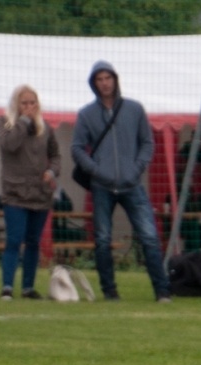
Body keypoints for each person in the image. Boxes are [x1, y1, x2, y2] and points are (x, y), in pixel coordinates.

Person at [72, 60, 171, 302]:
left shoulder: (134, 109)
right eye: (100, 79)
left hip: (132, 184)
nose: (105, 83)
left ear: (116, 80)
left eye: (108, 78)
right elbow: (76, 148)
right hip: (101, 186)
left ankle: (162, 291)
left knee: (149, 236)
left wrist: (136, 169)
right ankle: (110, 292)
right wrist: (96, 171)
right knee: (103, 239)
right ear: (94, 84)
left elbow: (147, 142)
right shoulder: (86, 114)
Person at [0, 85, 60, 301]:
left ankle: (28, 287)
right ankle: (7, 286)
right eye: (24, 103)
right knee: (14, 240)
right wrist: (23, 122)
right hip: (15, 194)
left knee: (33, 242)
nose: (29, 107)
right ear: (17, 104)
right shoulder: (5, 123)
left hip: (40, 195)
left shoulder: (46, 128)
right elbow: (9, 145)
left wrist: (51, 171)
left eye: (33, 103)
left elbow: (56, 155)